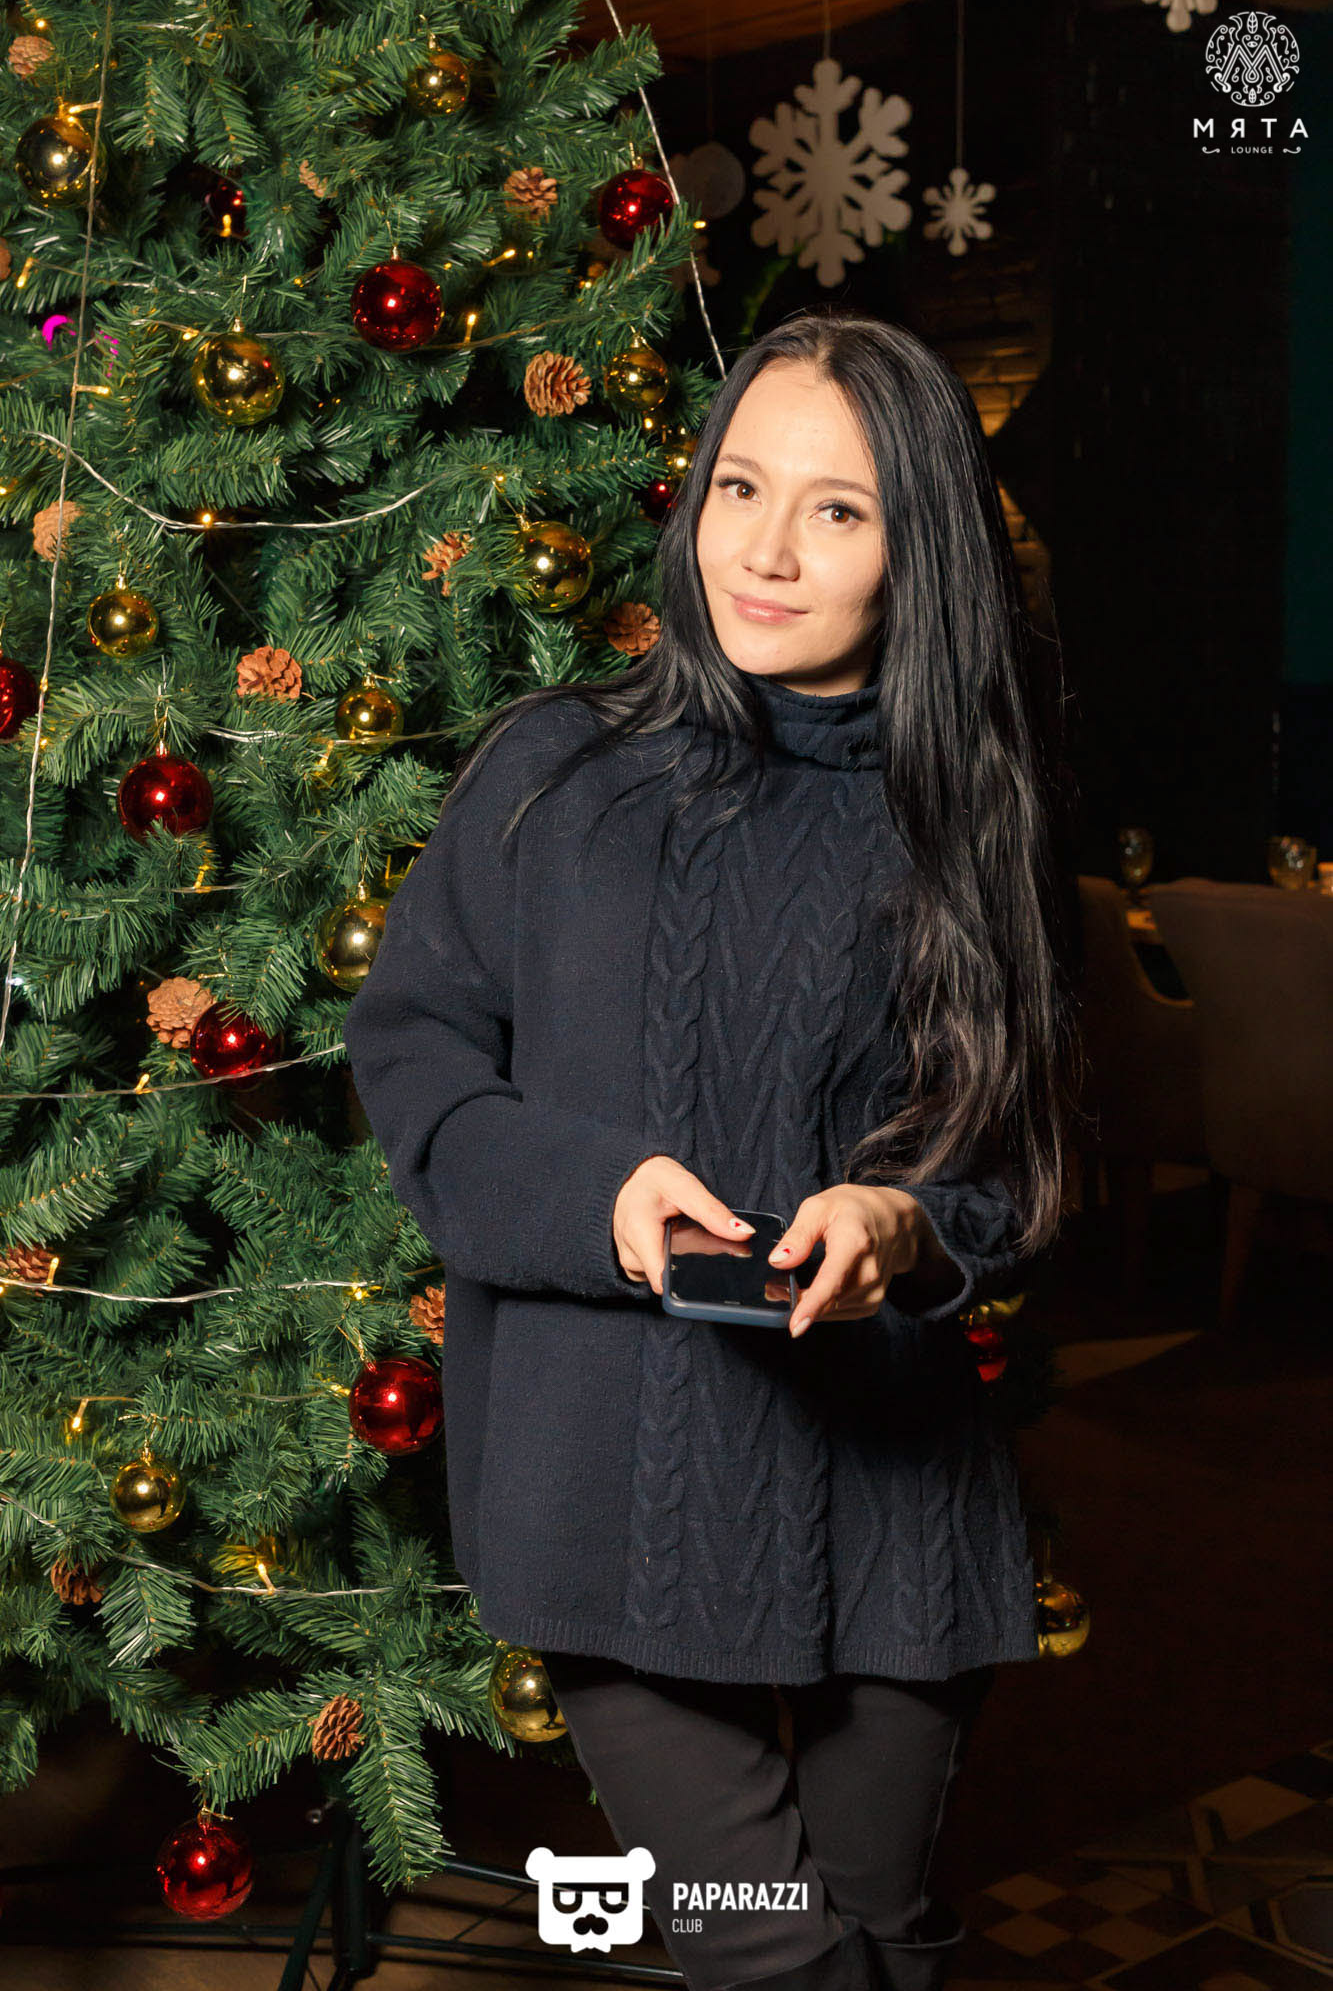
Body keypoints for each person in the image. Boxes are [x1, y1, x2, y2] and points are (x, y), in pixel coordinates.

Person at [341, 309, 1085, 1991]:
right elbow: (418, 1059)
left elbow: (1020, 1164)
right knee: (773, 1952)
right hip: (605, 1487)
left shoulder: (970, 816)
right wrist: (597, 1195)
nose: (762, 549)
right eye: (738, 485)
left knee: (886, 1933)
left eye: (837, 509)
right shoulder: (552, 772)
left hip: (890, 1502)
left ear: (918, 543)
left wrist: (903, 1222)